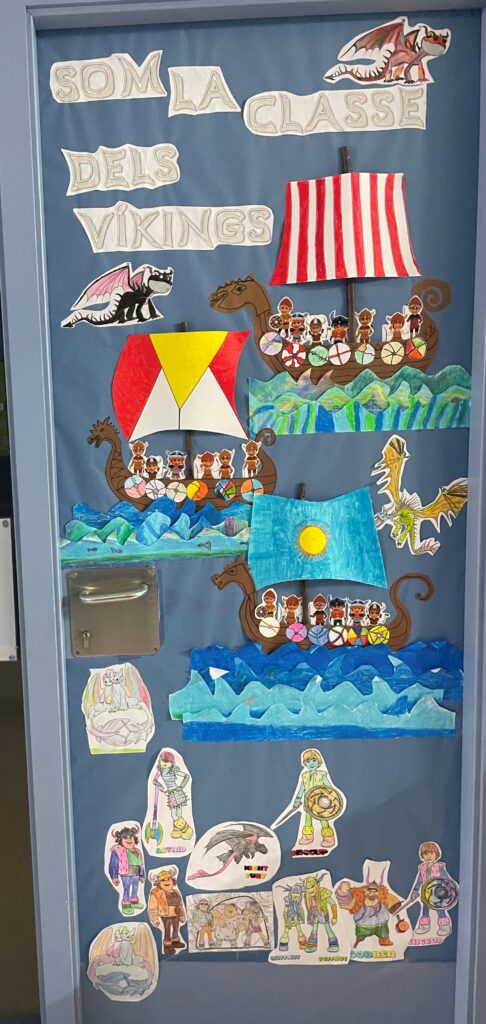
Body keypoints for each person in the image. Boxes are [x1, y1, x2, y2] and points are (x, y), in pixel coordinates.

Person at [408, 842, 453, 938]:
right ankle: (424, 926)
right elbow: (419, 881)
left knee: (440, 910)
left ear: (436, 854)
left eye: (431, 853)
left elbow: (446, 879)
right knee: (425, 910)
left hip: (438, 893)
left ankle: (444, 927)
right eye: (426, 854)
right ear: (422, 856)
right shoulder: (422, 868)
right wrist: (414, 893)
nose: (429, 856)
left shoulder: (439, 867)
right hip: (426, 893)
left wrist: (448, 890)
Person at [153, 750, 193, 839]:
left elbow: (187, 776)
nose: (165, 764)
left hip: (177, 792)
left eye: (167, 762)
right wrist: (162, 787)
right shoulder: (160, 770)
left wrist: (181, 786)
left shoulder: (173, 770)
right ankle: (183, 830)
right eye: (163, 761)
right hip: (171, 794)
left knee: (177, 814)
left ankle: (182, 829)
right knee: (175, 815)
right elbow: (154, 781)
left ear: (171, 762)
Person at [108, 825, 145, 915]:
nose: (129, 839)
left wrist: (142, 875)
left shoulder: (137, 851)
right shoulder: (118, 850)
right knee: (127, 887)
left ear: (134, 838)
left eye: (131, 837)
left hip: (136, 871)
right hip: (125, 872)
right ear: (120, 840)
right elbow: (113, 864)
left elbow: (141, 864)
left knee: (135, 886)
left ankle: (134, 901)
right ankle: (126, 904)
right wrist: (114, 876)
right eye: (125, 837)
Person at [148, 867, 186, 955]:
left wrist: (182, 915)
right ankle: (167, 945)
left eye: (168, 879)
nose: (166, 881)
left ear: (172, 880)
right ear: (158, 883)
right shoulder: (156, 892)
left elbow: (180, 905)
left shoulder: (176, 892)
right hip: (165, 915)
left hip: (176, 914)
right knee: (167, 929)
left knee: (176, 927)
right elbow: (153, 907)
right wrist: (154, 919)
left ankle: (175, 940)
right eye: (163, 880)